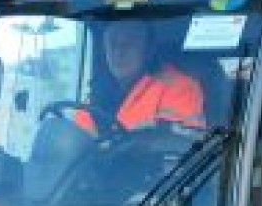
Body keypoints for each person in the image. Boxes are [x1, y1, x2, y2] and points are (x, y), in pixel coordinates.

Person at [75, 19, 205, 136]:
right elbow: (76, 147)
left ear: (149, 50)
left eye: (129, 42)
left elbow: (178, 146)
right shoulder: (93, 99)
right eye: (112, 42)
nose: (119, 51)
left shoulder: (179, 88)